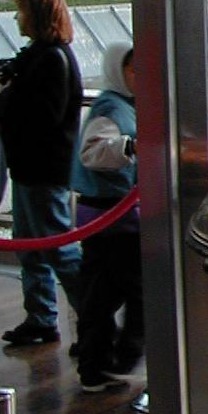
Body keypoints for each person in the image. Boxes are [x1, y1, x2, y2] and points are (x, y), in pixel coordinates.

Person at [0, 0, 83, 346]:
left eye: (21, 11)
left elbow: (40, 117)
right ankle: (45, 318)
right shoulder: (48, 57)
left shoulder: (47, 60)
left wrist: (5, 95)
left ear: (35, 15)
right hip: (38, 168)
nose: (17, 17)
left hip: (41, 170)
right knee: (33, 246)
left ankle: (89, 321)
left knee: (56, 248)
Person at [70, 41, 143, 392]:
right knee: (131, 290)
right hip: (112, 218)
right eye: (134, 69)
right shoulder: (111, 109)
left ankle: (98, 363)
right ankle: (115, 359)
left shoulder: (122, 106)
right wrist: (128, 147)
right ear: (120, 71)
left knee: (101, 294)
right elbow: (94, 152)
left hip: (111, 216)